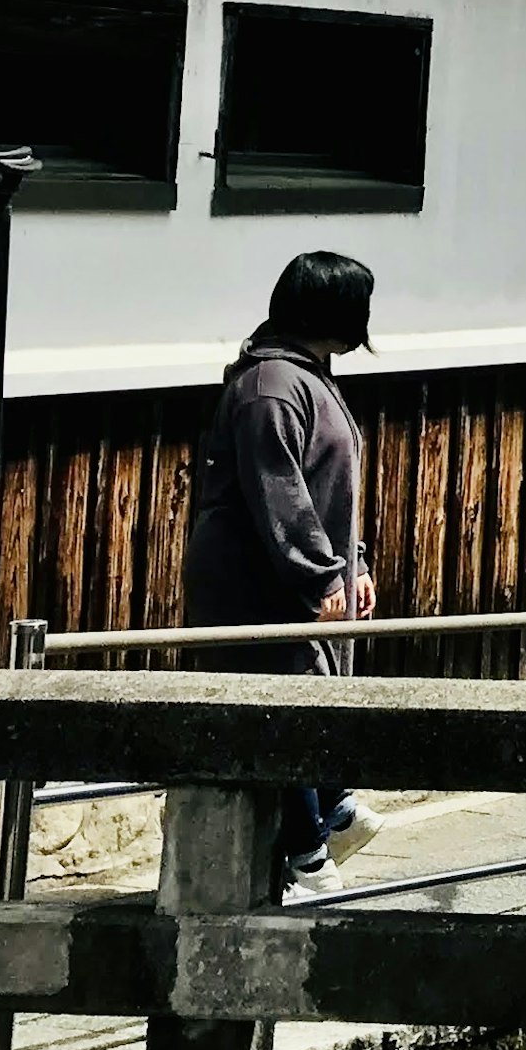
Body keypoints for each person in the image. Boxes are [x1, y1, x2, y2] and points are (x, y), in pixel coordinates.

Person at [186, 249, 385, 896]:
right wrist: (322, 574)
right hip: (255, 580)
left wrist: (350, 565)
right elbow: (282, 493)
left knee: (303, 697)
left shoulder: (308, 377)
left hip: (296, 575)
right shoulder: (271, 386)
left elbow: (330, 490)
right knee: (281, 701)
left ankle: (329, 813)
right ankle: (308, 853)